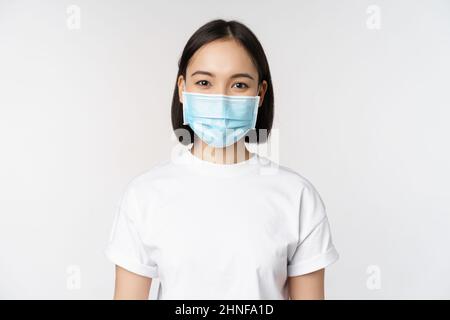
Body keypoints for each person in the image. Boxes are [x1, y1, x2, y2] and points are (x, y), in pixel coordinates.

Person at [105, 19, 339, 300]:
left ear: (260, 94)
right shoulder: (144, 196)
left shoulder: (297, 196)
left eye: (239, 84)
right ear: (182, 89)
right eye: (204, 82)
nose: (221, 98)